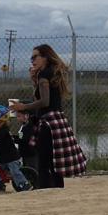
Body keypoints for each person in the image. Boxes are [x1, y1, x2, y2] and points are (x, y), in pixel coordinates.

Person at [9, 44, 87, 188]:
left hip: (48, 123)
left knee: (44, 162)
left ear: (45, 57)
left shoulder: (44, 75)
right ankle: (57, 190)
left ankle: (45, 191)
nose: (32, 60)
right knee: (53, 161)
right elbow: (45, 99)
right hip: (55, 120)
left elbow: (45, 102)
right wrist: (34, 80)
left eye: (35, 57)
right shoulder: (49, 72)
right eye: (31, 57)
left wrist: (23, 107)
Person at [0, 105, 31, 192]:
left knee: (15, 172)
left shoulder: (4, 131)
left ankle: (25, 184)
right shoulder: (0, 132)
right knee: (0, 171)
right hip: (5, 158)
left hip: (12, 158)